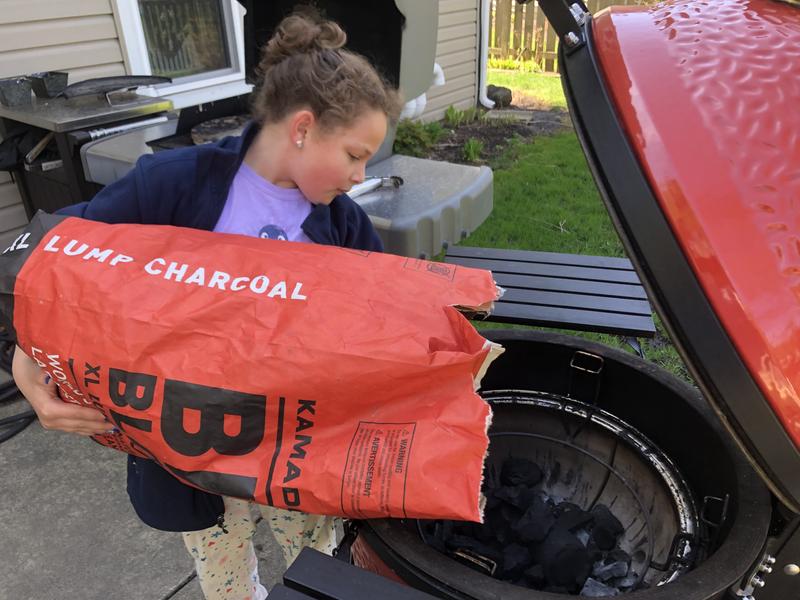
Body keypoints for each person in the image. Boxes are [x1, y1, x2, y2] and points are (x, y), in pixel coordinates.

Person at [11, 10, 402, 600]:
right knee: (225, 584)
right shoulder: (172, 185)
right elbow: (55, 259)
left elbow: (384, 318)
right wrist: (25, 354)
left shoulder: (343, 227)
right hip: (188, 457)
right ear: (302, 128)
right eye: (354, 154)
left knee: (320, 567)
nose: (360, 174)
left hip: (295, 452)